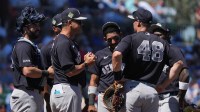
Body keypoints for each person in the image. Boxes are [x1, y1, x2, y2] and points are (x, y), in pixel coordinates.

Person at [112, 8, 184, 112]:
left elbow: (116, 55)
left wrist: (117, 79)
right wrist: (163, 85)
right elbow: (179, 63)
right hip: (152, 91)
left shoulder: (131, 38)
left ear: (139, 23)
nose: (133, 23)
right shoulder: (162, 42)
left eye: (134, 21)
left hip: (132, 88)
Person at [50, 8, 96, 112]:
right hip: (67, 89)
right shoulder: (64, 42)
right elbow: (70, 71)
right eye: (79, 22)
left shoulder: (65, 41)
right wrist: (86, 64)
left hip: (61, 90)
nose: (81, 24)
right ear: (70, 22)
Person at [10, 6, 54, 112]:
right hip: (26, 94)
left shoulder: (30, 45)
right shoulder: (23, 45)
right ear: (25, 28)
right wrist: (47, 73)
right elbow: (27, 70)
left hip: (32, 94)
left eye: (38, 24)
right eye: (34, 24)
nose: (38, 27)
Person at [148, 23, 190, 112]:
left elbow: (185, 74)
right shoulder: (150, 53)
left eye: (159, 35)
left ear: (167, 36)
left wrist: (181, 98)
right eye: (154, 36)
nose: (156, 38)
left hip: (168, 99)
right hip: (151, 99)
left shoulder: (172, 49)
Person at [87, 22, 122, 112]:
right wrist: (91, 104)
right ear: (105, 39)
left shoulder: (129, 52)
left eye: (116, 38)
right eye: (109, 40)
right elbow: (93, 81)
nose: (113, 42)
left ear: (120, 35)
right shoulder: (99, 55)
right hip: (104, 97)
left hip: (124, 96)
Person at [40, 13, 62, 112]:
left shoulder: (73, 45)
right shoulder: (46, 48)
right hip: (55, 90)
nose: (64, 28)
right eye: (61, 26)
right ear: (55, 28)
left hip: (71, 90)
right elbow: (44, 77)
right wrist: (47, 102)